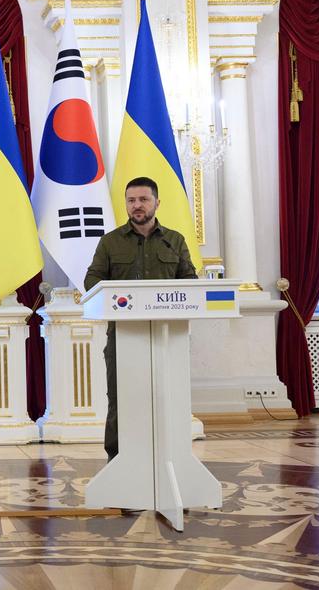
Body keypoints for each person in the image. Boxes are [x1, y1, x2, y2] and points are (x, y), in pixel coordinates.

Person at [84, 176, 197, 460]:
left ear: (157, 203)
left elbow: (191, 283)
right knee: (121, 401)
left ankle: (170, 457)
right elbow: (92, 280)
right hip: (123, 337)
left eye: (144, 200)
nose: (137, 206)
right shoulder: (110, 243)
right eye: (131, 200)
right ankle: (119, 461)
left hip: (168, 337)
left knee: (167, 399)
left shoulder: (174, 241)